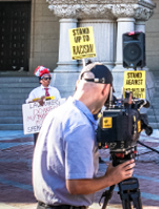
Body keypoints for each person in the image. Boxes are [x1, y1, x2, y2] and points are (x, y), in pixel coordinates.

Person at [33, 62, 135, 208]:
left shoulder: (57, 113)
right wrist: (110, 178)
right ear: (106, 89)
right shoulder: (80, 125)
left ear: (78, 84)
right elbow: (76, 186)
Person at [26, 66, 62, 143]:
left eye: (49, 78)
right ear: (41, 80)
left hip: (52, 120)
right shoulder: (35, 92)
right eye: (46, 78)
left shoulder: (55, 91)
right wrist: (37, 102)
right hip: (39, 121)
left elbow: (59, 102)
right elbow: (28, 104)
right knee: (39, 141)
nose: (48, 80)